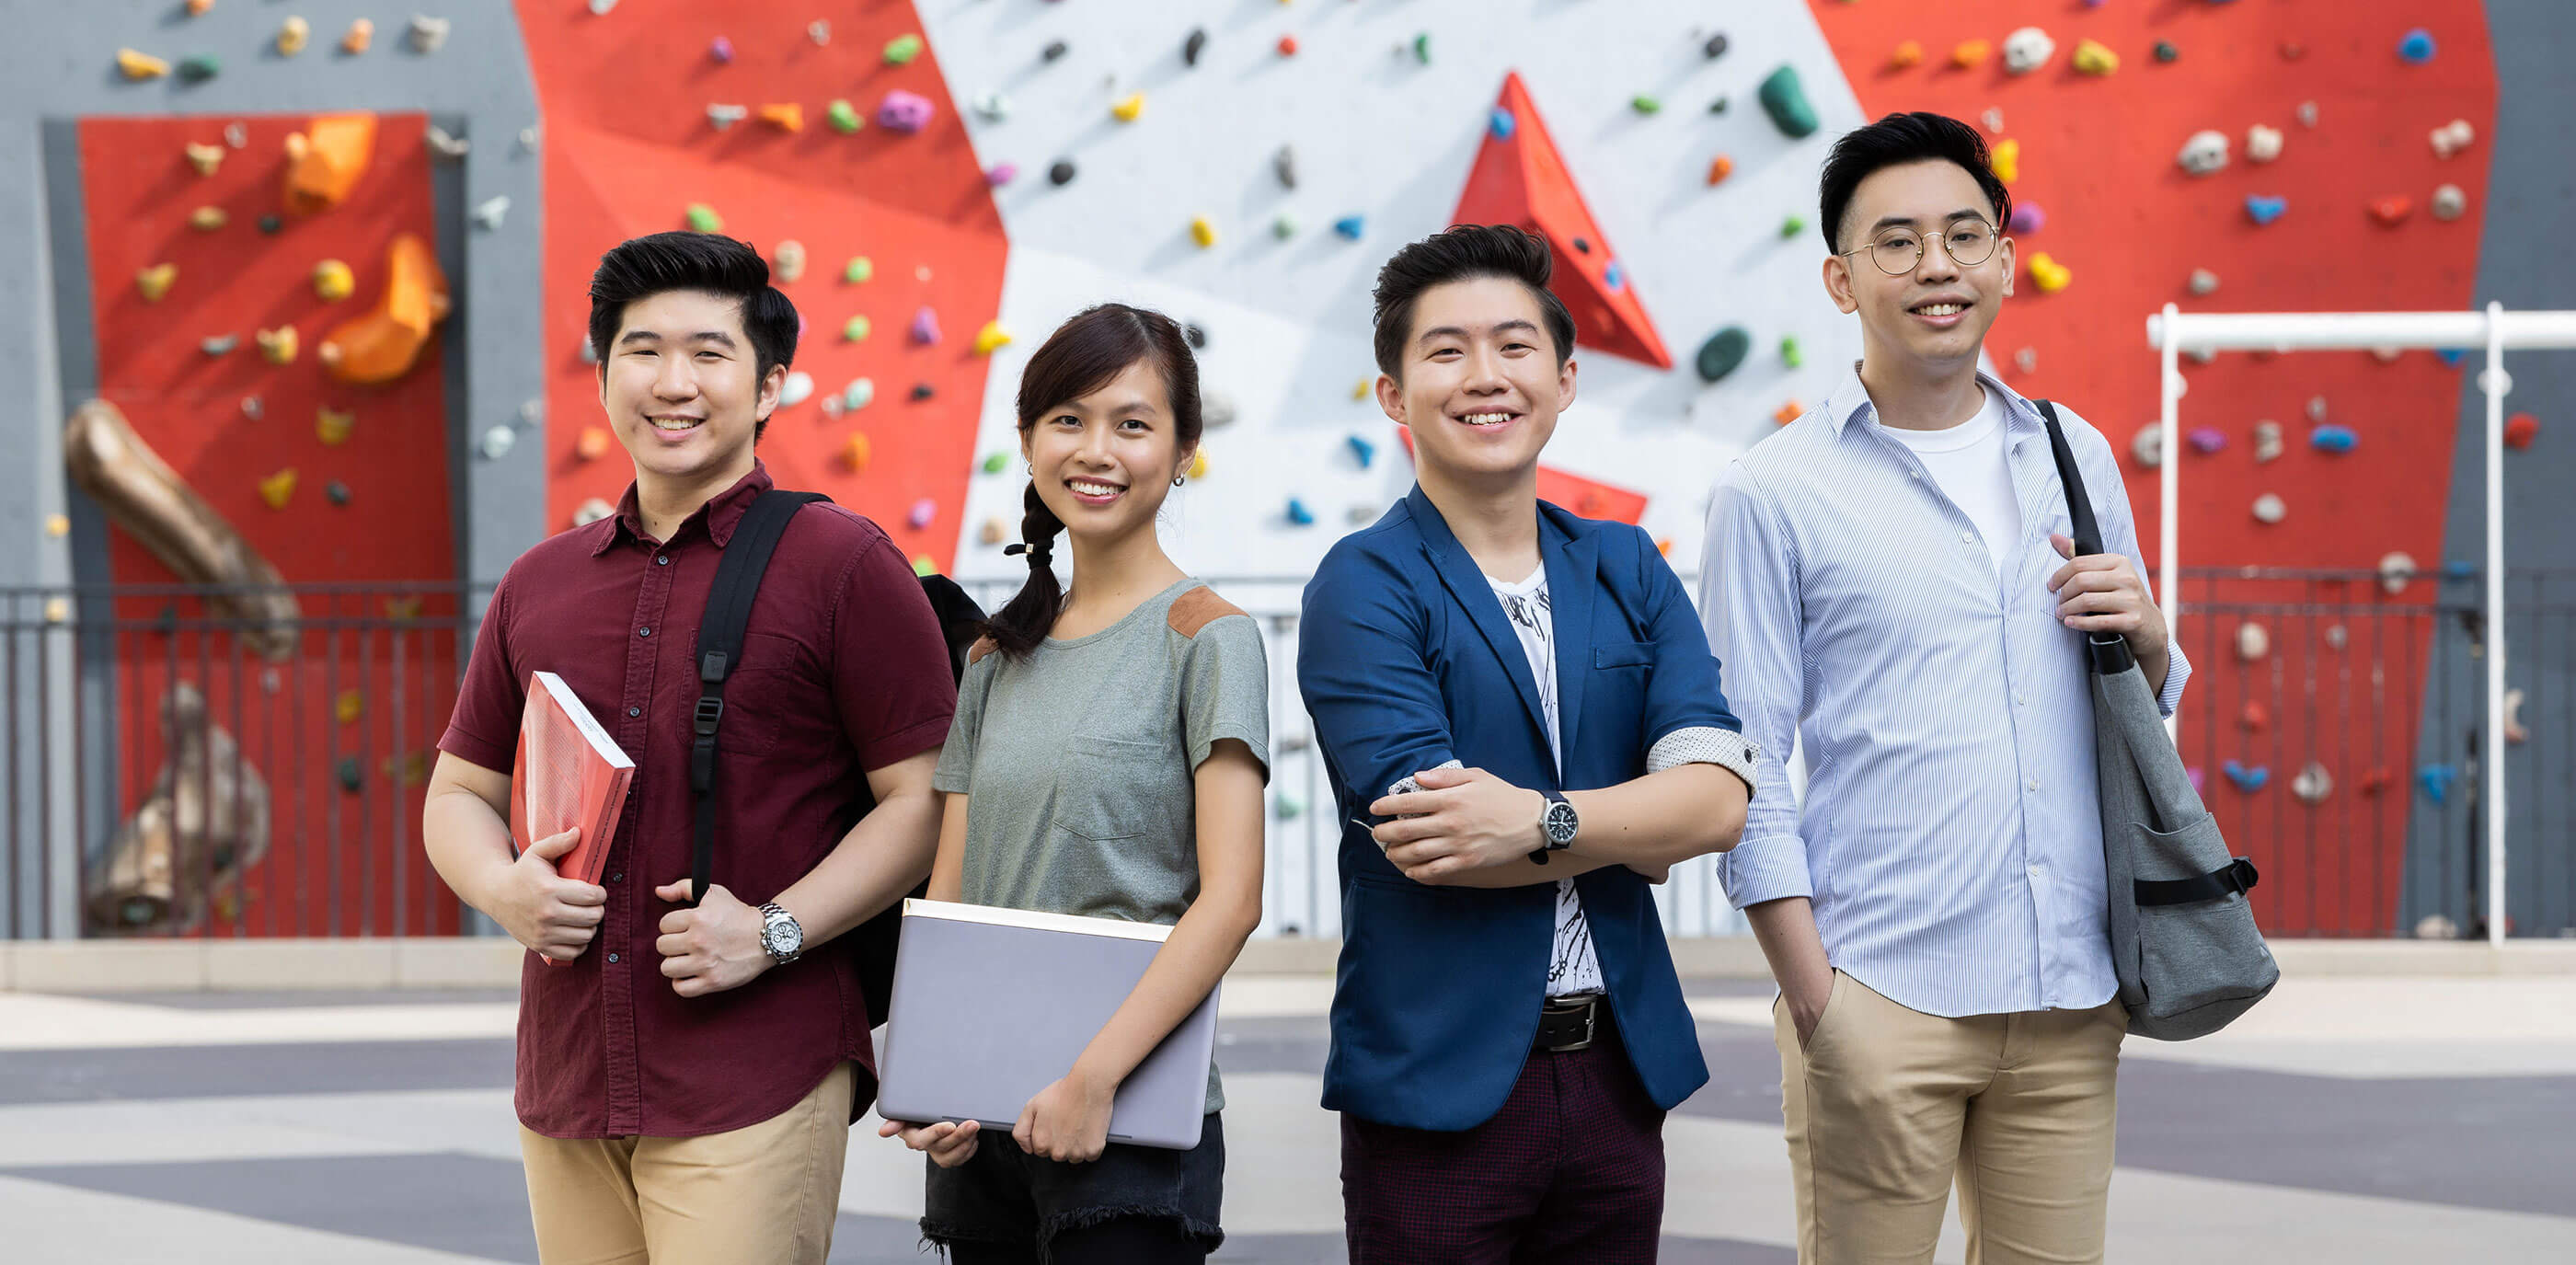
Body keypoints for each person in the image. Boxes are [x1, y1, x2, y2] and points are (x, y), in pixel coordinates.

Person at [1698, 111, 2192, 1264]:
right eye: (1898, 241)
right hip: (1882, 992)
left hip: (2072, 996)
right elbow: (1742, 754)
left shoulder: (2073, 451)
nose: (1938, 267)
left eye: (1965, 236)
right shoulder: (1773, 491)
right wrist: (1818, 1001)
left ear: (2005, 263)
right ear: (1840, 277)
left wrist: (2154, 636)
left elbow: (2139, 709)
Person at [423, 231, 956, 1264]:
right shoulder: (540, 583)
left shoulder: (843, 563)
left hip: (753, 1069)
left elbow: (925, 797)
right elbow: (456, 791)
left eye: (710, 354)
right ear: (605, 371)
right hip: (569, 1075)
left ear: (770, 388)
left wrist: (774, 932)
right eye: (642, 350)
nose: (674, 383)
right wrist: (505, 891)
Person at [1298, 224, 1760, 1263]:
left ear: (1563, 378)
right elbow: (1439, 839)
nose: (1484, 376)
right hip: (1437, 1083)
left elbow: (1721, 802)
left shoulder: (1625, 565)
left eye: (1513, 346)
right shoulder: (1364, 582)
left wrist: (1546, 818)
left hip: (1615, 1075)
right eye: (1446, 350)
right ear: (1392, 393)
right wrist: (1640, 822)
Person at [879, 303, 1269, 1265]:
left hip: (1127, 1119)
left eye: (1132, 424)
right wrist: (933, 1078)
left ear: (1182, 450)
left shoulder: (1208, 637)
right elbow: (952, 897)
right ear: (1027, 438)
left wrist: (1094, 1077)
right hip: (985, 1121)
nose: (1097, 450)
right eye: (1068, 418)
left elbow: (1231, 900)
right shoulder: (993, 658)